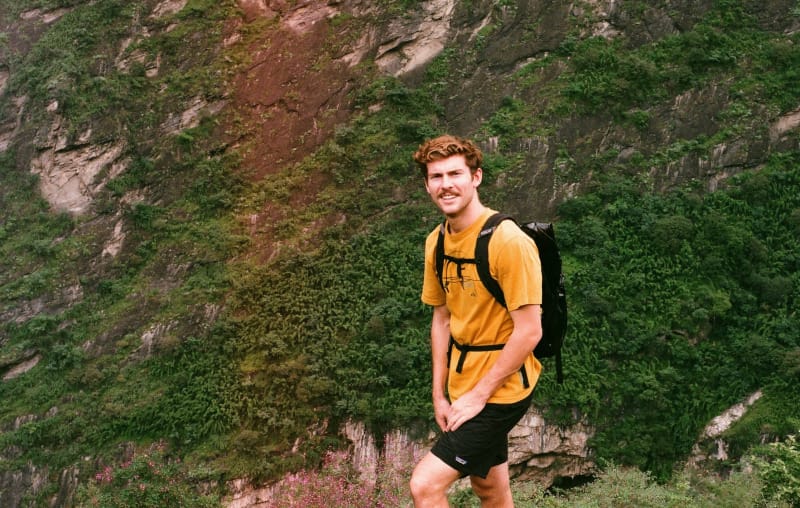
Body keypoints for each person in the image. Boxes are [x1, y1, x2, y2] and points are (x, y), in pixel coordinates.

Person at [409, 135, 543, 507]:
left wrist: (478, 396)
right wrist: (440, 393)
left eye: (455, 173)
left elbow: (531, 330)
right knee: (490, 489)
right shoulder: (436, 243)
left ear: (476, 177)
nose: (446, 184)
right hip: (463, 383)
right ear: (427, 185)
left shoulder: (508, 242)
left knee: (425, 486)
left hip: (502, 388)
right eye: (436, 176)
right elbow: (442, 319)